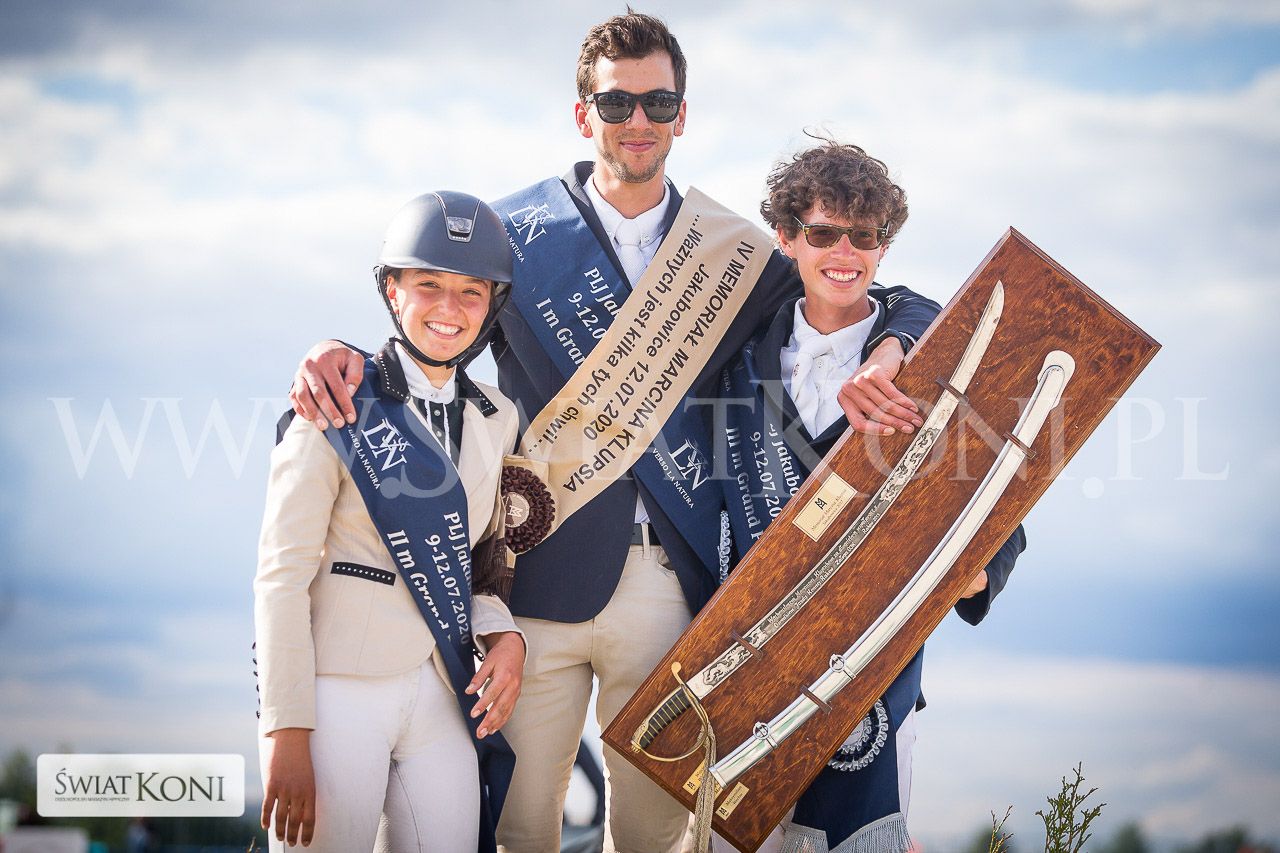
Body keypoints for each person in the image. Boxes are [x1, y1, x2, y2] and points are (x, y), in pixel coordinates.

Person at [289, 13, 941, 853]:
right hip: (540, 577)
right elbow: (435, 334)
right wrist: (339, 348)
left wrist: (895, 345)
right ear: (583, 113)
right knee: (518, 822)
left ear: (681, 115)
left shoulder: (737, 255)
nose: (638, 120)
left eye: (657, 102)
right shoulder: (515, 237)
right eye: (616, 103)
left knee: (661, 834)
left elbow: (878, 294)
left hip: (673, 587)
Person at [709, 140, 1026, 853]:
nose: (845, 252)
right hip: (737, 658)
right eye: (824, 233)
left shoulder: (933, 368)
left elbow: (998, 506)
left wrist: (976, 572)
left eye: (865, 235)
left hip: (871, 671)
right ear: (787, 237)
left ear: (885, 245)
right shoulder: (737, 356)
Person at [254, 191, 527, 852]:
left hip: (442, 691)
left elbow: (481, 560)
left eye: (470, 292)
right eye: (428, 285)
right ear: (391, 289)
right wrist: (285, 728)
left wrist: (506, 637)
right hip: (339, 689)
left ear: (492, 304)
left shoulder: (499, 418)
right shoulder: (335, 395)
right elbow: (281, 575)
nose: (449, 308)